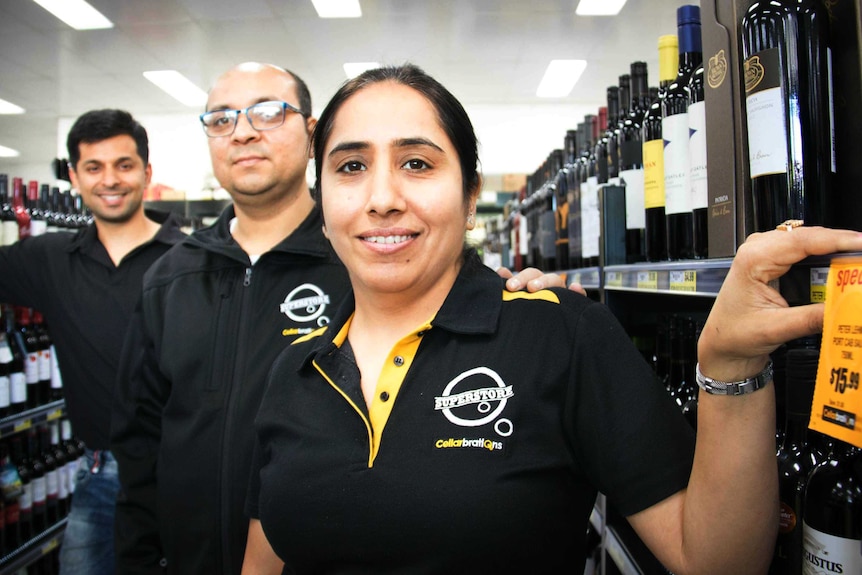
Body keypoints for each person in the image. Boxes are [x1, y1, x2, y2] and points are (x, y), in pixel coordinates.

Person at [241, 64, 862, 575]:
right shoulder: (293, 371)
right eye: (351, 167)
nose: (381, 198)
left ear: (471, 194)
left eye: (417, 164)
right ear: (322, 200)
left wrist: (731, 366)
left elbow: (716, 562)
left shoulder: (560, 334)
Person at [110, 61, 569, 575]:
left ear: (311, 136)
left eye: (266, 112)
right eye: (221, 118)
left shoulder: (375, 258)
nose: (242, 131)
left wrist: (524, 301)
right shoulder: (168, 279)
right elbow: (139, 445)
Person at [0, 109, 186, 575]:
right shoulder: (49, 260)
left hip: (186, 471)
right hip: (101, 473)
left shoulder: (191, 259)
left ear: (146, 172)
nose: (110, 180)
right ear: (74, 177)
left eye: (124, 165)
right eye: (94, 167)